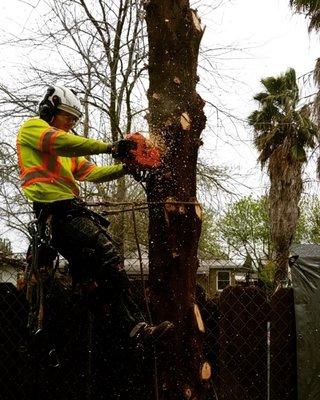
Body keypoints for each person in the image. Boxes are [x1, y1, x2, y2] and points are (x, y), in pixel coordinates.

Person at [16, 85, 173, 343]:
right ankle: (134, 327)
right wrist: (110, 147)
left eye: (74, 120)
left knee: (93, 273)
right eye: (68, 117)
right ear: (50, 110)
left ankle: (120, 327)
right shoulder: (33, 129)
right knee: (108, 253)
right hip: (56, 214)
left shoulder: (68, 152)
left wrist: (126, 168)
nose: (71, 124)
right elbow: (62, 143)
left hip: (69, 213)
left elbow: (92, 173)